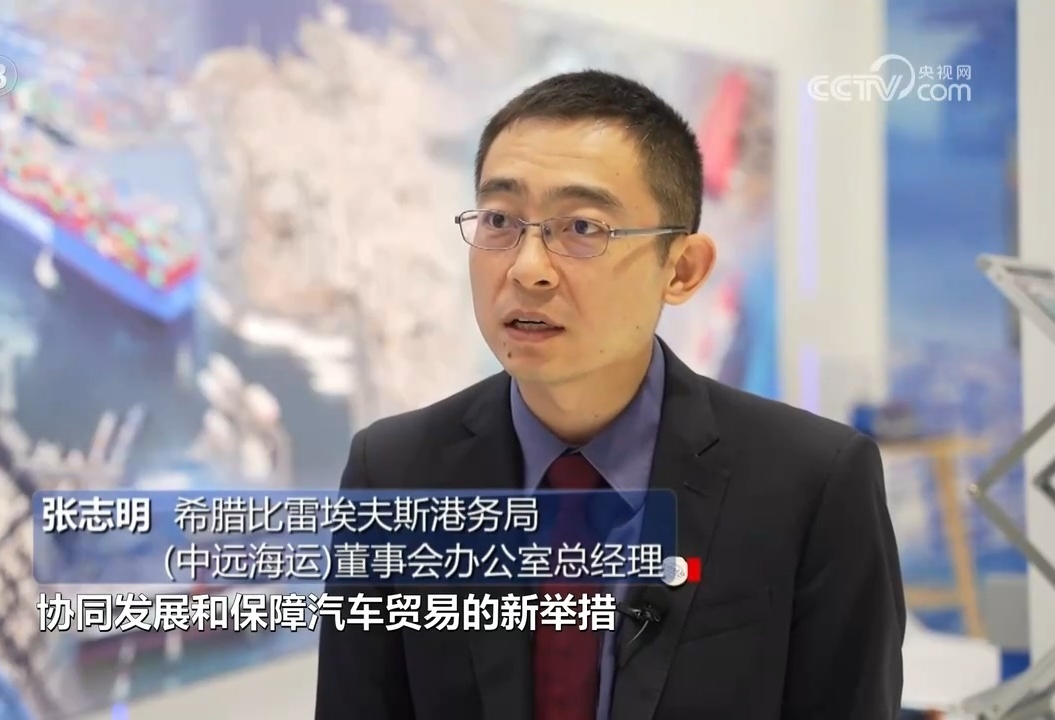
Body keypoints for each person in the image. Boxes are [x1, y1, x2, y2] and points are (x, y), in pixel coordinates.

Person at [314, 70, 905, 720]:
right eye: (500, 220)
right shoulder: (394, 472)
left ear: (681, 269)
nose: (527, 269)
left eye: (582, 227)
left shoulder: (813, 483)